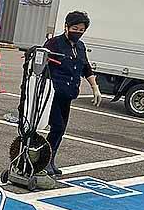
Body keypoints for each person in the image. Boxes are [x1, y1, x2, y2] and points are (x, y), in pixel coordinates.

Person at [43, 10, 102, 175]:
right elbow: (40, 64)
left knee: (61, 130)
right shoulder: (54, 44)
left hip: (68, 94)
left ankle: (51, 159)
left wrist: (94, 87)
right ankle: (44, 160)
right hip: (52, 93)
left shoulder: (80, 47)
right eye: (75, 28)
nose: (78, 32)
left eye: (81, 30)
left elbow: (85, 67)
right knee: (57, 127)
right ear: (66, 26)